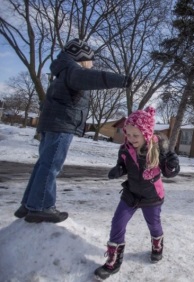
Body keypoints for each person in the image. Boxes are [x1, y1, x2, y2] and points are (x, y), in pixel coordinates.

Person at [14, 38, 132, 223]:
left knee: (43, 164)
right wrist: (121, 80)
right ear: (82, 58)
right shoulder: (73, 71)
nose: (92, 65)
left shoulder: (62, 71)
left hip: (51, 123)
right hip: (61, 124)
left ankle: (28, 204)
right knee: (51, 165)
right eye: (90, 61)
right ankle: (42, 207)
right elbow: (91, 78)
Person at [94, 106, 180, 280]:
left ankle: (157, 245)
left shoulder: (158, 149)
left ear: (146, 134)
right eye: (128, 134)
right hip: (131, 193)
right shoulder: (125, 149)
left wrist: (172, 164)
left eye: (135, 135)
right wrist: (118, 170)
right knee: (117, 223)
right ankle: (113, 260)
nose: (131, 138)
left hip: (152, 196)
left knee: (154, 225)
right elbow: (123, 165)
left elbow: (169, 173)